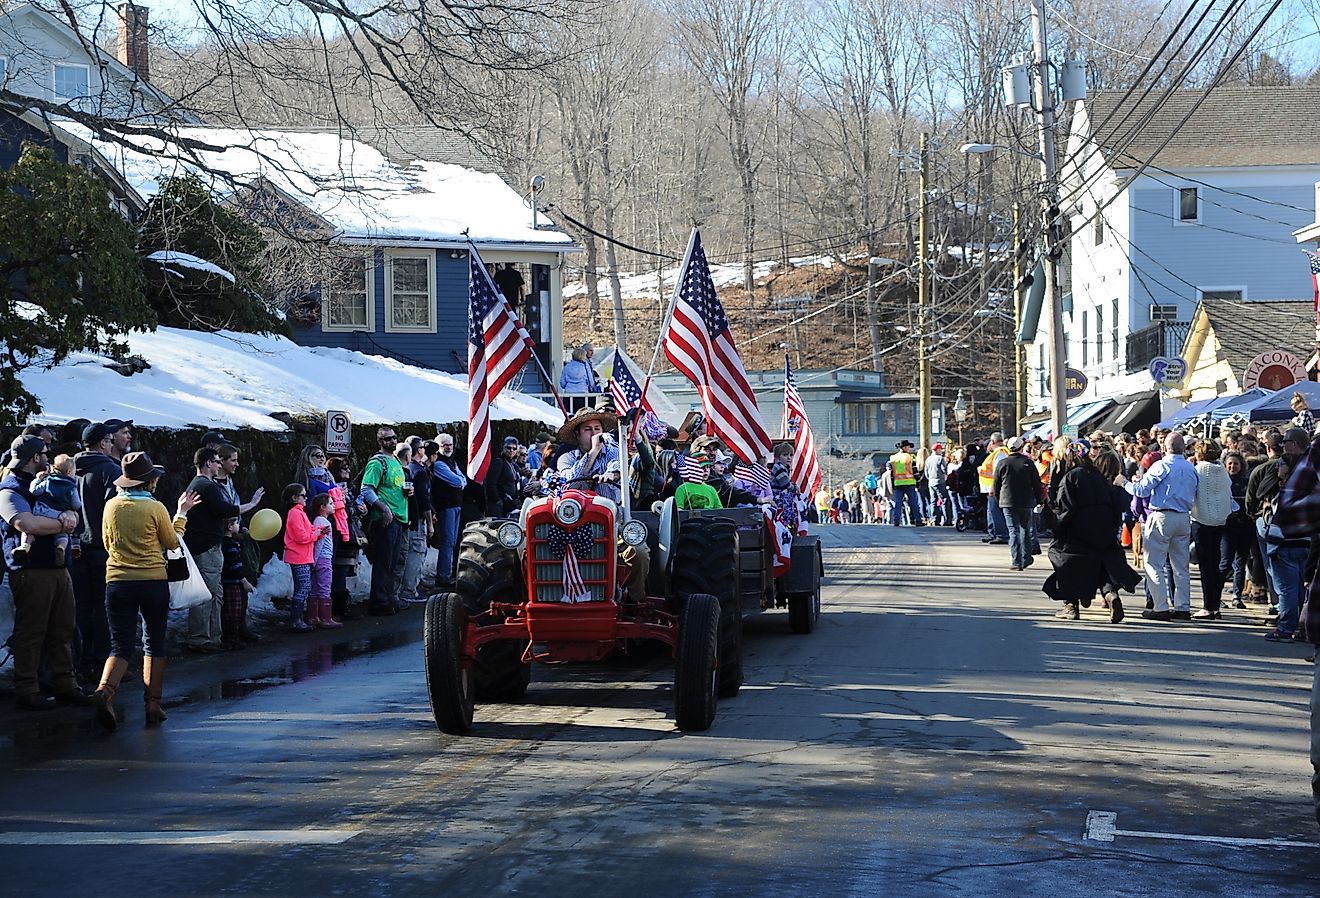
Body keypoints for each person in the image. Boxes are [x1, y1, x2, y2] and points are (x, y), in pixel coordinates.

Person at [92, 451, 200, 729]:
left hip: (117, 581)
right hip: (152, 581)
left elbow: (106, 542)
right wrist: (182, 514)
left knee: (121, 645)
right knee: (154, 642)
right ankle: (153, 705)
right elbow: (172, 542)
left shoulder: (111, 506)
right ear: (149, 482)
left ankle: (105, 691)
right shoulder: (155, 508)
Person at [0, 435, 92, 711]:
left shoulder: (38, 483)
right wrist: (62, 524)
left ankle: (65, 683)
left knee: (63, 628)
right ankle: (27, 688)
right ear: (33, 458)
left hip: (56, 567)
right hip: (30, 570)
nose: (48, 454)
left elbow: (73, 513)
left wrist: (71, 518)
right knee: (32, 631)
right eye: (43, 451)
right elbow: (25, 523)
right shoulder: (9, 490)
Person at [1043, 448, 1140, 621]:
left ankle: (1071, 605)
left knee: (1062, 558)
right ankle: (1110, 593)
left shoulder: (1071, 477)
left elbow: (1066, 508)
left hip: (1078, 529)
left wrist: (1057, 528)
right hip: (1104, 528)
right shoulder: (1098, 477)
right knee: (1102, 559)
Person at [1121, 432, 1199, 622]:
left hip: (1162, 514)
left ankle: (1160, 606)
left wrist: (1124, 483)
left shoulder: (1161, 465)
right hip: (1183, 516)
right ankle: (1182, 607)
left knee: (1153, 563)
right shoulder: (1191, 468)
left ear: (1165, 447)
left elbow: (1142, 490)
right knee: (1180, 566)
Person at [70, 421, 124, 684]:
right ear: (103, 443)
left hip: (73, 546)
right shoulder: (110, 471)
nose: (112, 445)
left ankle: (81, 661)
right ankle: (105, 662)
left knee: (81, 606)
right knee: (105, 606)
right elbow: (116, 513)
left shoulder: (68, 469)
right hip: (103, 548)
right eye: (111, 441)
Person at [1251, 428, 1310, 641]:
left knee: (1286, 589)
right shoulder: (1308, 483)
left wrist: (1273, 545)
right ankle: (1303, 627)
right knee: (1302, 589)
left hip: (1285, 545)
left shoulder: (1287, 491)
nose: (1278, 466)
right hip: (1304, 543)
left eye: (1282, 464)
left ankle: (1287, 627)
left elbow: (1277, 518)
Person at [183, 447, 241, 653]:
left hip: (208, 545)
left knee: (215, 592)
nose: (219, 465)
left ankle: (213, 636)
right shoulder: (205, 485)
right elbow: (223, 509)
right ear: (208, 463)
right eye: (217, 461)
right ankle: (200, 638)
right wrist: (250, 505)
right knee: (205, 593)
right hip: (206, 547)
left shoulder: (201, 485)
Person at [360, 427, 409, 616]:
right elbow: (366, 489)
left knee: (393, 561)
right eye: (388, 439)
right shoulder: (377, 462)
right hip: (386, 518)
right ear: (380, 442)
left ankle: (389, 597)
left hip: (399, 516)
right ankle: (379, 601)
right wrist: (383, 508)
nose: (392, 441)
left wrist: (407, 492)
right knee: (383, 561)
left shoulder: (395, 460)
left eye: (395, 438)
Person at [13, 453, 81, 565]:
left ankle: (25, 545)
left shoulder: (48, 481)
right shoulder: (71, 487)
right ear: (69, 472)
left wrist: (37, 480)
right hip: (59, 515)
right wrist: (71, 509)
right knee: (63, 534)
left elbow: (34, 491)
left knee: (28, 531)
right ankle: (60, 548)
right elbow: (76, 504)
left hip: (41, 511)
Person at [1190, 439, 1232, 620]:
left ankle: (1208, 606)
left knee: (1205, 566)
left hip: (1201, 520)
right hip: (1220, 520)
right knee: (1215, 564)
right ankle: (1215, 605)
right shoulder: (1222, 471)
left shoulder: (1198, 470)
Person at [993, 437, 1044, 571]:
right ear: (1021, 447)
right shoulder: (1027, 463)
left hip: (1007, 501)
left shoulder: (1003, 463)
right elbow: (1036, 483)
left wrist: (999, 499)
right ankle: (1026, 557)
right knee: (1025, 529)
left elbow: (996, 485)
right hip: (1026, 501)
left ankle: (1016, 561)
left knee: (1013, 530)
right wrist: (1040, 500)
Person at [282, 483, 326, 631]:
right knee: (304, 587)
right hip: (298, 556)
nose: (305, 498)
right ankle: (296, 620)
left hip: (303, 556)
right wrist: (317, 534)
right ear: (294, 498)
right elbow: (301, 536)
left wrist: (318, 530)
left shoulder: (299, 512)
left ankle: (298, 619)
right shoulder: (295, 513)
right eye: (302, 495)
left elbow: (308, 530)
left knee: (302, 587)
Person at [327, 457, 366, 619]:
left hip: (347, 533)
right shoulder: (333, 489)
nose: (348, 471)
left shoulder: (347, 488)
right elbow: (341, 511)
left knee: (342, 570)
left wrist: (360, 508)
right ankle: (338, 608)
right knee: (339, 570)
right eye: (344, 468)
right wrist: (356, 510)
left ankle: (339, 606)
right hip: (339, 534)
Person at [557, 408, 622, 502]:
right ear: (577, 434)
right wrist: (593, 451)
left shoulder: (614, 451)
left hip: (610, 511)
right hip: (578, 512)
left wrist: (611, 475)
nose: (594, 433)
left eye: (597, 429)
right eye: (588, 429)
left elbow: (617, 466)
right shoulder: (566, 459)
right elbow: (569, 484)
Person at [400, 440, 434, 603]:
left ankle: (413, 586)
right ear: (417, 451)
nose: (424, 450)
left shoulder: (409, 469)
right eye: (421, 447)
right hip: (418, 517)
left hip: (409, 517)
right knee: (416, 552)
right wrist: (430, 522)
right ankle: (409, 590)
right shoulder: (419, 471)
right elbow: (424, 499)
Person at [431, 434, 466, 588]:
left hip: (456, 505)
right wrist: (460, 481)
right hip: (446, 506)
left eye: (450, 444)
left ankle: (447, 573)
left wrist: (460, 481)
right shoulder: (439, 463)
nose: (448, 447)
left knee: (452, 541)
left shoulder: (451, 461)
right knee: (447, 541)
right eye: (444, 444)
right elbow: (457, 481)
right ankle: (443, 576)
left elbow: (462, 479)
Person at [1220, 450, 1252, 609]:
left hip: (1244, 525)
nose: (1233, 466)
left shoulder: (1247, 482)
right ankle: (1216, 595)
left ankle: (1236, 596)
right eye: (1230, 464)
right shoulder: (1221, 482)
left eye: (1236, 464)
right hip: (1227, 527)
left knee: (1241, 562)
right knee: (1225, 562)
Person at [219, 517, 256, 650]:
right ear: (230, 526)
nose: (239, 526)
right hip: (232, 581)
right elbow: (235, 565)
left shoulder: (226, 543)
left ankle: (230, 637)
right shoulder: (230, 545)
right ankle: (232, 639)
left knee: (228, 611)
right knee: (233, 611)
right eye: (236, 523)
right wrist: (244, 581)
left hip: (226, 580)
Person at [307, 493, 342, 628]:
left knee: (315, 587)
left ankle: (313, 617)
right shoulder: (324, 522)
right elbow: (320, 543)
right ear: (322, 507)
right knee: (325, 587)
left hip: (318, 559)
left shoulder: (317, 521)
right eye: (331, 504)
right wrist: (315, 560)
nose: (334, 506)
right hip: (324, 559)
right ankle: (326, 618)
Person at [978, 432, 1009, 543]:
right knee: (991, 511)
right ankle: (993, 533)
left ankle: (1001, 535)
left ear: (992, 442)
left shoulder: (1000, 453)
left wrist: (993, 487)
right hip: (991, 487)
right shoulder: (997, 453)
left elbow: (997, 471)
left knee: (996, 511)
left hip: (994, 487)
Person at [888, 440, 925, 526]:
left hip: (898, 483)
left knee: (898, 503)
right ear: (904, 447)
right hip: (910, 483)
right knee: (913, 503)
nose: (909, 448)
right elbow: (915, 471)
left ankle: (896, 521)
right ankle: (918, 520)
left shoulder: (893, 458)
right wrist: (918, 482)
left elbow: (891, 473)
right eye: (908, 447)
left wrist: (893, 483)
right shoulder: (910, 457)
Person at [486, 436, 525, 516]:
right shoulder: (498, 462)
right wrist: (497, 499)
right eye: (508, 448)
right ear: (503, 448)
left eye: (514, 448)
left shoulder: (514, 465)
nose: (511, 450)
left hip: (512, 503)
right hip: (500, 505)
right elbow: (491, 483)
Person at [925, 443, 952, 526]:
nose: (942, 451)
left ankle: (935, 519)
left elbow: (926, 472)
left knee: (933, 501)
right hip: (940, 482)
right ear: (937, 450)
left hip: (931, 482)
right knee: (944, 500)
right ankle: (947, 520)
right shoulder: (940, 459)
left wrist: (930, 478)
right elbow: (944, 470)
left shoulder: (928, 459)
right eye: (941, 449)